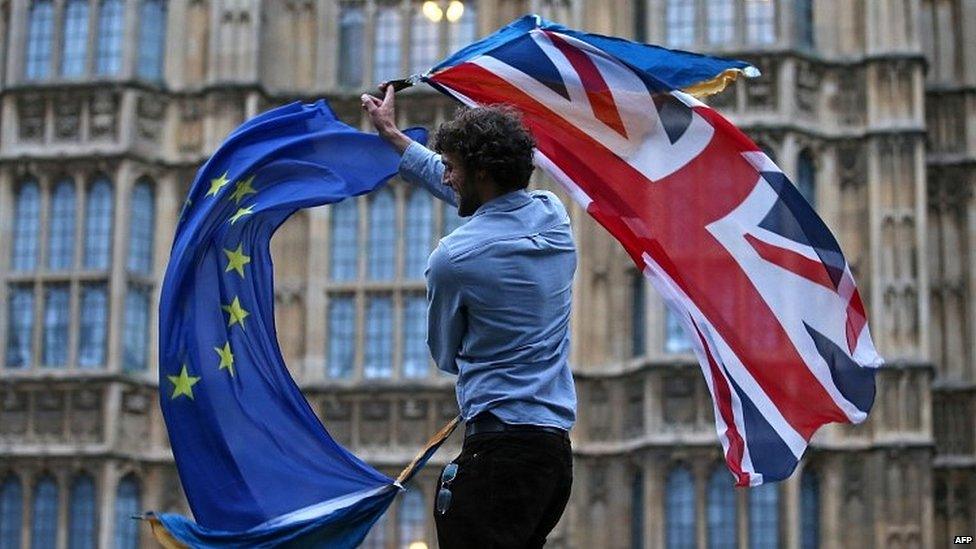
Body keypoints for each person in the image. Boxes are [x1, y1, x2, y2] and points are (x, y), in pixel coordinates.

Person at [362, 84, 578, 548]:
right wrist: (395, 137)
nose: (445, 179)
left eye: (452, 169)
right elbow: (494, 210)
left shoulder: (452, 258)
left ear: (480, 173)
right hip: (553, 458)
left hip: (497, 453)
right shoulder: (554, 216)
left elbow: (445, 353)